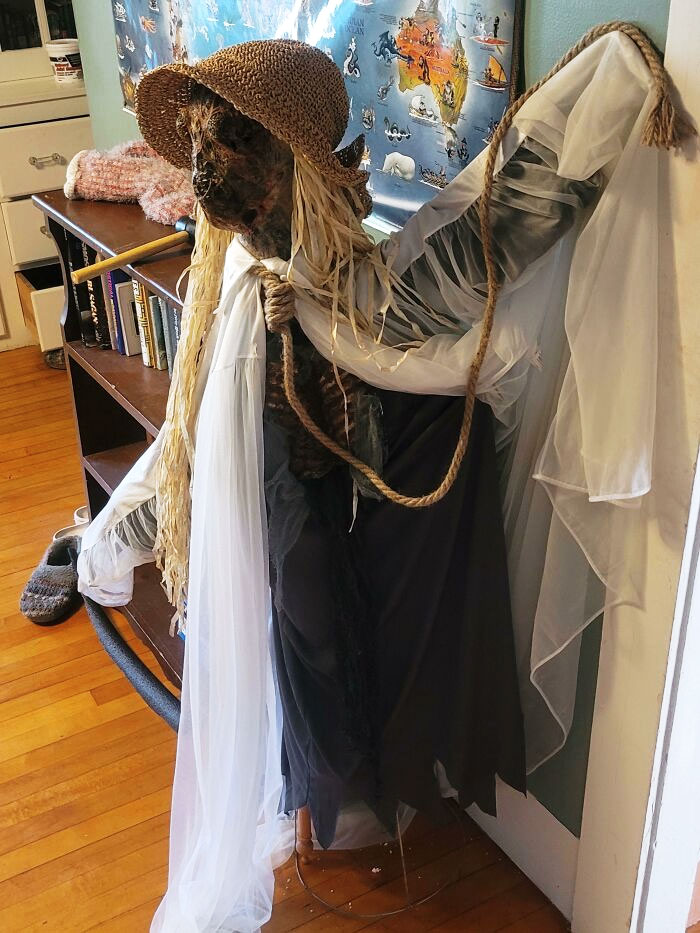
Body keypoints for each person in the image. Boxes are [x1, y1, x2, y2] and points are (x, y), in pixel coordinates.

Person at [76, 28, 687, 931]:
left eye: (234, 142)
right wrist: (116, 529)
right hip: (280, 494)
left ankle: (361, 799)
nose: (206, 171)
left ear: (294, 162)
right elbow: (187, 430)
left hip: (339, 485)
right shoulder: (236, 276)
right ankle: (328, 794)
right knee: (302, 626)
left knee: (336, 625)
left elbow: (473, 251)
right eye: (201, 143)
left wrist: (606, 86)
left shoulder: (347, 285)